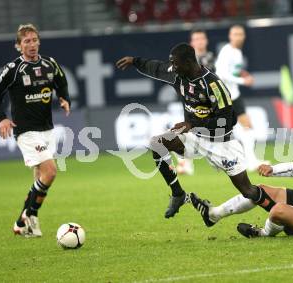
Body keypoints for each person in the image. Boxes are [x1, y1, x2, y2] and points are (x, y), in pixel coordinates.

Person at [115, 43, 277, 219]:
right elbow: (156, 68)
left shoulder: (213, 85)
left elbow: (227, 121)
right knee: (157, 143)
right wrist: (134, 61)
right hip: (194, 138)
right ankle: (178, 194)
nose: (173, 68)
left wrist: (193, 124)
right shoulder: (178, 75)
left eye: (176, 64)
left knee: (248, 191)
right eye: (172, 63)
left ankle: (281, 214)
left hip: (221, 143)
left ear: (188, 62)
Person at [0, 24, 71, 237]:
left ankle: (22, 222)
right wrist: (1, 118)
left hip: (47, 128)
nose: (32, 44)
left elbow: (61, 82)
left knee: (40, 177)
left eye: (34, 40)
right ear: (18, 46)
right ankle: (30, 215)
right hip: (25, 130)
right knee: (50, 171)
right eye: (26, 41)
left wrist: (64, 98)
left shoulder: (49, 63)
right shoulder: (13, 69)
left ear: (39, 41)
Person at [215, 25, 266, 171]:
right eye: (235, 34)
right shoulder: (227, 51)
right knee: (222, 130)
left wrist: (242, 74)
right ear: (230, 36)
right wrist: (244, 81)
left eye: (240, 34)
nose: (238, 37)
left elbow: (233, 71)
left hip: (234, 94)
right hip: (223, 95)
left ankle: (251, 160)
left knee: (247, 125)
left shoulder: (237, 52)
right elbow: (222, 73)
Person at [175, 29, 217, 175]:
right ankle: (185, 163)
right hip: (188, 101)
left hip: (206, 103)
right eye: (196, 39)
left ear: (206, 41)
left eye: (201, 38)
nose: (199, 41)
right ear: (192, 43)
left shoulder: (211, 58)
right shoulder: (184, 60)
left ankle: (217, 159)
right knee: (184, 130)